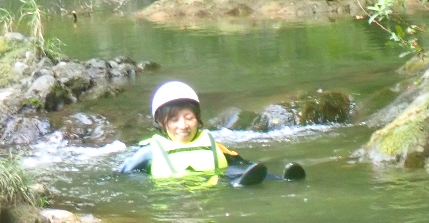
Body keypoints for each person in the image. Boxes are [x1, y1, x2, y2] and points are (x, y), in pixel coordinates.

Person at [119, 81, 305, 186]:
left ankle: (283, 180)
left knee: (233, 172)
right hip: (175, 194)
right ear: (161, 122)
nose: (183, 126)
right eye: (174, 120)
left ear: (198, 118)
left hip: (216, 182)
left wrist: (265, 173)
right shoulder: (150, 152)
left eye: (189, 118)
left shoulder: (212, 145)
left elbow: (244, 164)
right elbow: (122, 175)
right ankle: (238, 185)